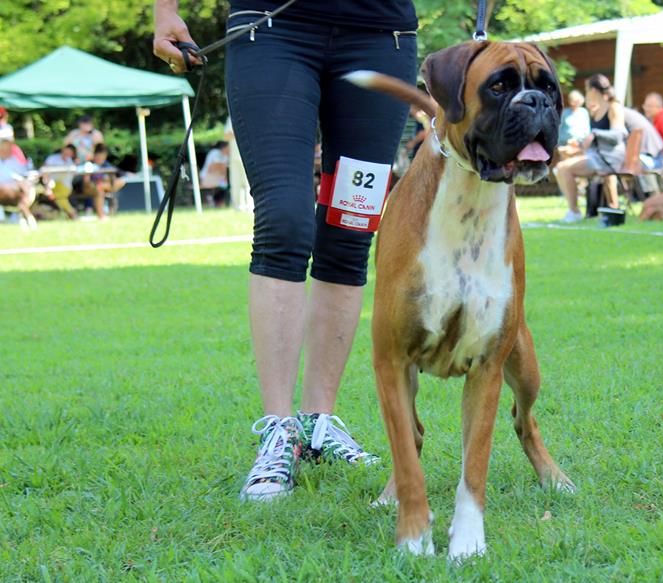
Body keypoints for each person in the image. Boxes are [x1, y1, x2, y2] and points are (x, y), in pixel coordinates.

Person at [155, 0, 418, 500]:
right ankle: (278, 429)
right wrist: (165, 11)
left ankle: (319, 422)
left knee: (351, 228)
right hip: (271, 28)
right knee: (285, 218)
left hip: (382, 36)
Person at [553, 74, 627, 222]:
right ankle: (573, 210)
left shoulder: (614, 106)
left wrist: (594, 134)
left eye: (587, 90)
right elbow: (594, 139)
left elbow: (619, 135)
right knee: (560, 168)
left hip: (611, 156)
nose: (586, 94)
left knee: (565, 169)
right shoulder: (596, 110)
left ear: (593, 90)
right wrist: (578, 145)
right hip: (597, 156)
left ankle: (574, 212)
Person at [0, 138, 38, 230]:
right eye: (3, 148)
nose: (6, 150)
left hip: (15, 191)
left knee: (23, 196)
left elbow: (24, 176)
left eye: (8, 148)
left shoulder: (17, 161)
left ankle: (23, 219)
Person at [80, 143, 125, 219]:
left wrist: (105, 181)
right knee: (99, 190)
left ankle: (108, 209)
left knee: (120, 182)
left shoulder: (106, 165)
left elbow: (113, 178)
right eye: (99, 157)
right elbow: (86, 181)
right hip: (91, 187)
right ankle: (102, 216)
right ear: (95, 156)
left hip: (103, 186)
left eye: (102, 157)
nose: (100, 159)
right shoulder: (89, 164)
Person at [42, 144, 79, 219]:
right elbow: (44, 171)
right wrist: (47, 185)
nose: (67, 154)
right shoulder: (52, 158)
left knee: (57, 197)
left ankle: (71, 213)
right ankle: (71, 213)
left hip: (65, 186)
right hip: (52, 185)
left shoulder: (71, 162)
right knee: (60, 199)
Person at [557, 89, 591, 159]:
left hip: (579, 144)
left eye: (577, 101)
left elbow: (587, 130)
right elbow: (559, 129)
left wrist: (579, 141)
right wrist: (562, 143)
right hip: (565, 144)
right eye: (573, 100)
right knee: (565, 166)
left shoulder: (584, 112)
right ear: (570, 101)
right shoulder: (564, 112)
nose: (575, 103)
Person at [200, 140, 230, 207]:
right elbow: (213, 167)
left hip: (217, 177)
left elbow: (223, 169)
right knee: (222, 185)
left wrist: (224, 177)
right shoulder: (215, 152)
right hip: (207, 176)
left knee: (225, 185)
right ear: (224, 148)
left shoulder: (226, 156)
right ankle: (214, 201)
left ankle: (218, 202)